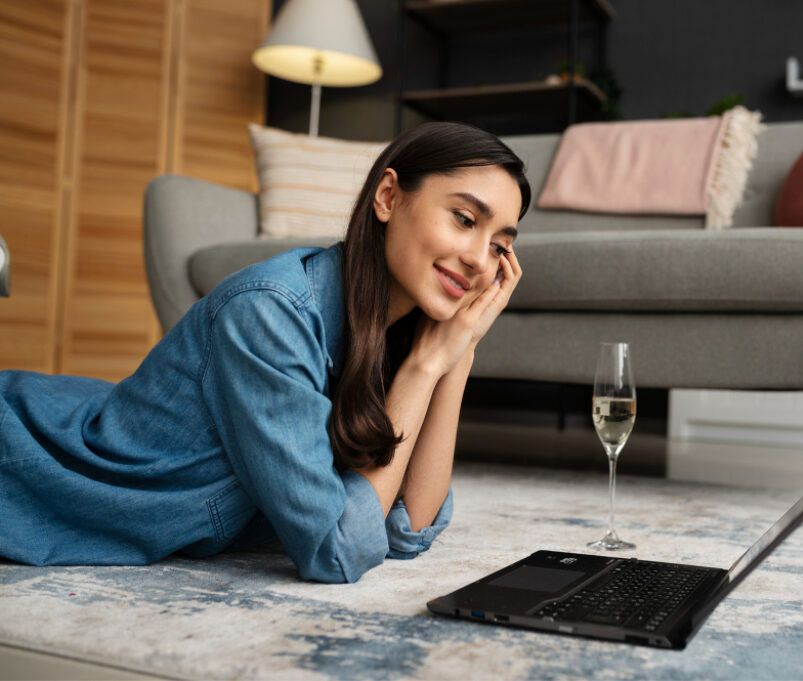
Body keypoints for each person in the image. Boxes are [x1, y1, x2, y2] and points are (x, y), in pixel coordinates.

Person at [0, 122, 529, 583]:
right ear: (388, 197)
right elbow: (338, 550)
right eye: (464, 219)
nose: (481, 260)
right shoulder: (269, 313)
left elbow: (406, 528)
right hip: (31, 466)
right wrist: (426, 367)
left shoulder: (402, 324)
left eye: (500, 245)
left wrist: (458, 353)